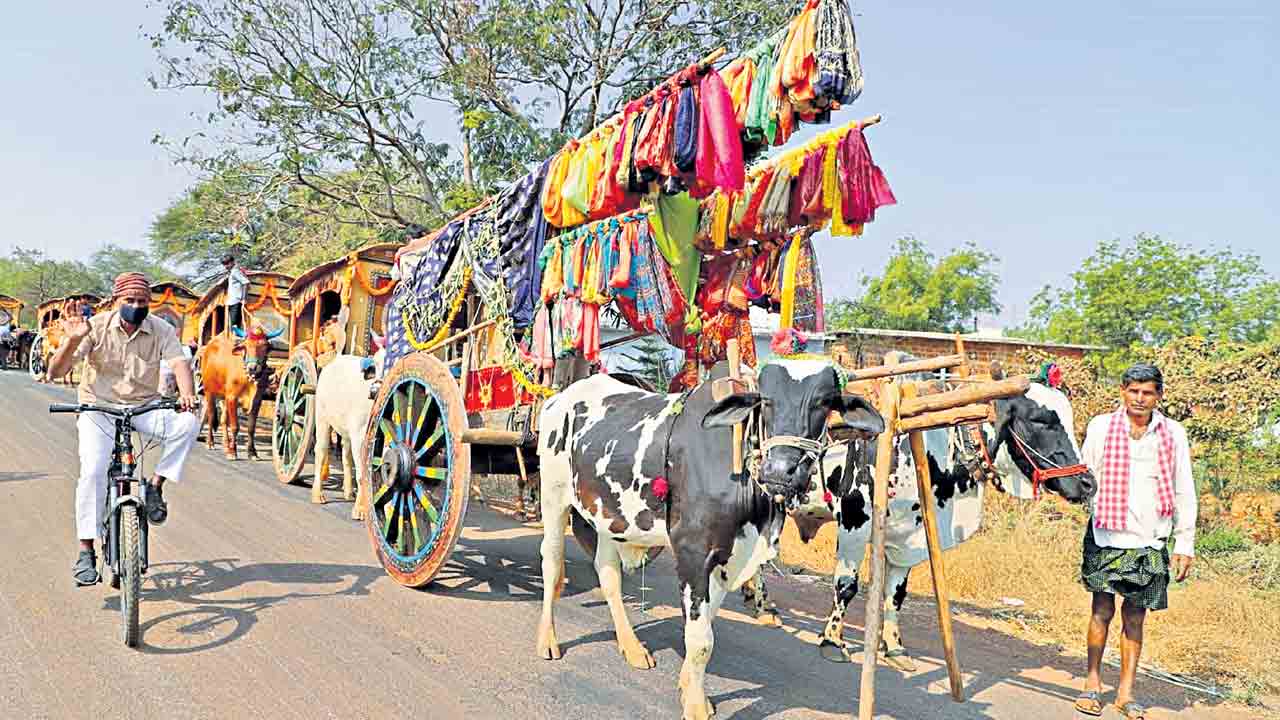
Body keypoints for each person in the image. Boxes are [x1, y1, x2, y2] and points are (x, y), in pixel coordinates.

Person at [46, 272, 201, 586]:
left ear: (150, 304)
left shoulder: (161, 329)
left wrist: (187, 394)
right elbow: (54, 372)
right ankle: (86, 550)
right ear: (116, 302)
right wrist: (74, 339)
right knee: (93, 470)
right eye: (129, 300)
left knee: (191, 419)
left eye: (142, 301)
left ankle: (156, 485)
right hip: (98, 407)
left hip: (143, 406)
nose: (136, 306)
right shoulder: (96, 327)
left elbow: (180, 364)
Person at [1075, 363, 1197, 720]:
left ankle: (1126, 693)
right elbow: (1085, 474)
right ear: (1123, 391)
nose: (1140, 399)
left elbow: (1184, 489)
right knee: (1101, 610)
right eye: (1133, 391)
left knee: (1135, 616)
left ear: (1158, 396)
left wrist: (1184, 543)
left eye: (1147, 393)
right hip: (1106, 532)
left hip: (1150, 538)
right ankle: (1092, 683)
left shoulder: (1172, 433)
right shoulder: (1101, 427)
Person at [222, 253, 250, 331]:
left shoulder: (235, 271)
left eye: (227, 264)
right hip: (232, 302)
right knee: (233, 326)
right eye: (224, 264)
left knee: (234, 326)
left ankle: (235, 341)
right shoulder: (232, 272)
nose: (226, 266)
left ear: (232, 262)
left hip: (236, 302)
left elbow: (246, 283)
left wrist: (244, 299)